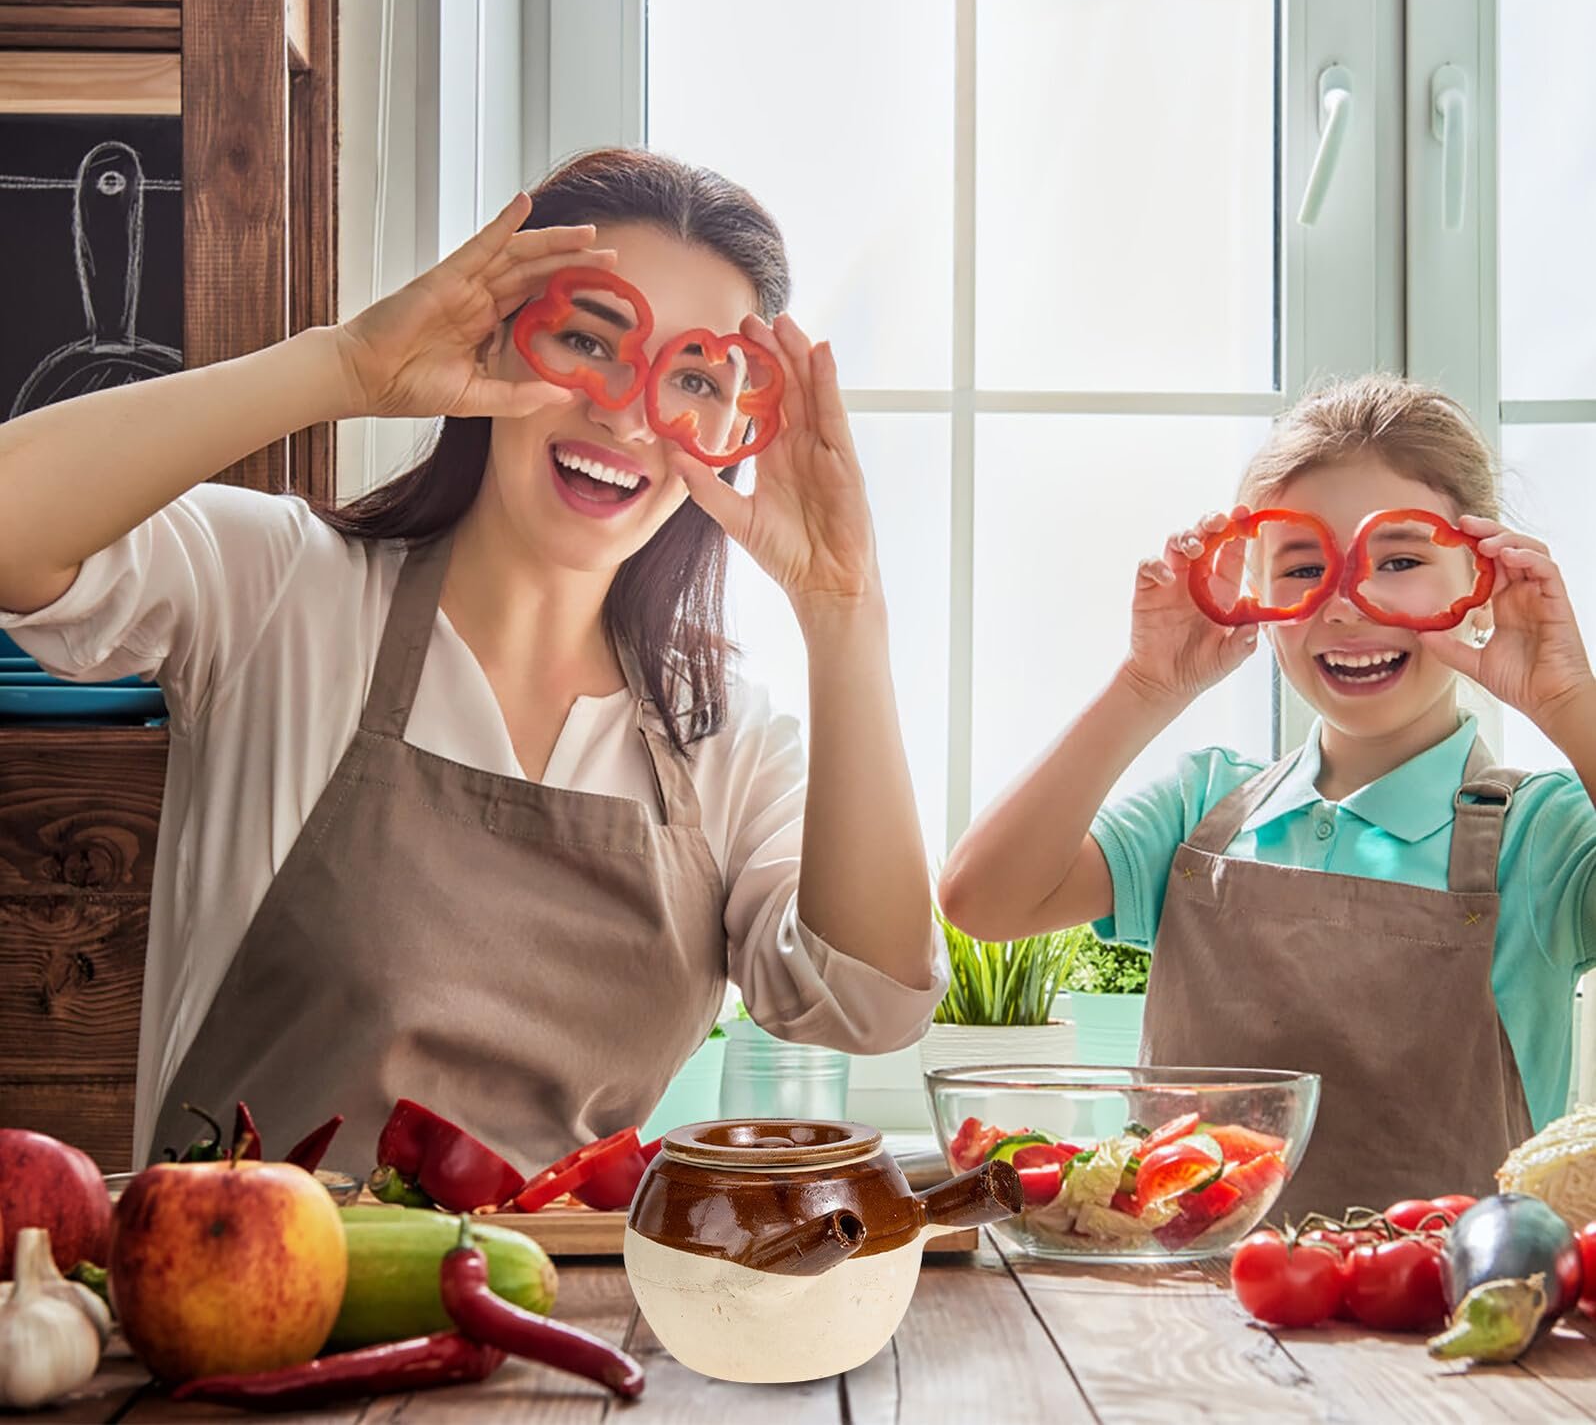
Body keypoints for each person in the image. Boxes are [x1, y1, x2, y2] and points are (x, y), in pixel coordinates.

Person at [0, 148, 946, 1173]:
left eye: (693, 378)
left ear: (731, 431)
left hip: (569, 1319)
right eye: (589, 339)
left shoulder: (725, 740)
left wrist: (843, 610)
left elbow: (872, 1003)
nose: (625, 416)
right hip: (239, 1314)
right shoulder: (280, 591)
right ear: (498, 338)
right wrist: (346, 367)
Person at [939, 375, 1596, 1211]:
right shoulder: (1204, 809)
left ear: (1478, 585)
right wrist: (1146, 684)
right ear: (1257, 598)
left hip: (1437, 1325)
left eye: (1400, 561)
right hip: (1186, 1325)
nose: (1350, 604)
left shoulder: (1537, 831)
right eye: (1303, 567)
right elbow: (982, 899)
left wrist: (1568, 700)